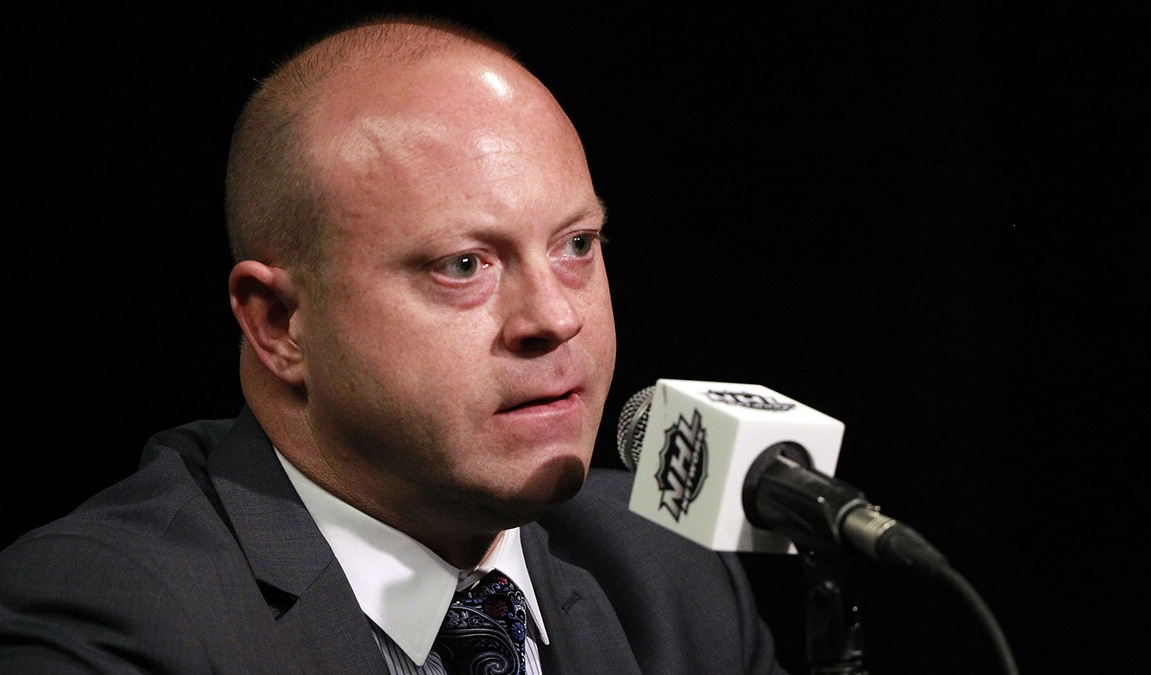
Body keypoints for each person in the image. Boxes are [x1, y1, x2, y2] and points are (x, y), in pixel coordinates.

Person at [0, 16, 789, 674]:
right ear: (279, 323)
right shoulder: (113, 612)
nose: (555, 317)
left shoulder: (673, 572)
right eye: (463, 265)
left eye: (577, 244)